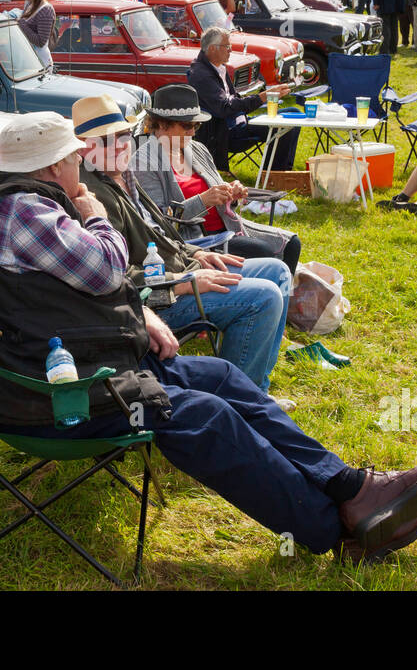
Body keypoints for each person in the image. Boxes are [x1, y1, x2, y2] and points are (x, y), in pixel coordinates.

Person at [0, 111, 417, 562]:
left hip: (86, 362)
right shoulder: (23, 211)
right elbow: (107, 267)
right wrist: (92, 211)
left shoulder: (30, 203)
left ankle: (350, 487)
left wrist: (140, 313)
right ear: (51, 167)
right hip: (53, 392)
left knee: (220, 376)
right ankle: (336, 528)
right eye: (73, 154)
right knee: (205, 417)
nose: (79, 161)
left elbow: (62, 291)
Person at [73, 97, 293, 398]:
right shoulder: (92, 196)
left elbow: (161, 232)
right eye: (106, 141)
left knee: (278, 271)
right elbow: (115, 277)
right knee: (263, 298)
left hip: (181, 267)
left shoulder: (121, 176)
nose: (121, 145)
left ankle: (256, 392)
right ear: (84, 147)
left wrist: (196, 253)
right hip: (157, 298)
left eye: (123, 135)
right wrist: (184, 284)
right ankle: (242, 400)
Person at [133, 85, 301, 272]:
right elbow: (160, 221)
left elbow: (218, 192)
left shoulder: (196, 149)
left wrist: (232, 192)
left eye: (196, 125)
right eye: (187, 126)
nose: (193, 132)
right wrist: (203, 200)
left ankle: (284, 299)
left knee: (292, 243)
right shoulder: (144, 162)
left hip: (228, 227)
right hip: (195, 241)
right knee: (265, 253)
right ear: (162, 124)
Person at [187, 27, 296, 171]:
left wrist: (262, 97)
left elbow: (233, 99)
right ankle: (273, 176)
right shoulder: (201, 74)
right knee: (282, 126)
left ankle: (285, 171)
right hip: (226, 132)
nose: (230, 50)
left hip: (239, 122)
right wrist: (263, 97)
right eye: (227, 46)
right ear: (212, 48)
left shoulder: (218, 67)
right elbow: (224, 108)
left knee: (292, 114)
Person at [16, 0, 56, 68]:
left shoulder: (46, 10)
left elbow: (40, 42)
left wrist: (21, 23)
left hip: (40, 64)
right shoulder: (29, 3)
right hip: (29, 61)